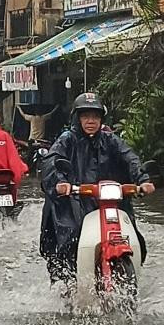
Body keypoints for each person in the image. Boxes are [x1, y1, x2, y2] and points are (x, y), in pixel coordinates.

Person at [40, 92, 155, 284]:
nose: (91, 121)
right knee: (68, 243)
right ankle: (68, 286)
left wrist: (143, 180)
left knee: (136, 239)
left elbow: (130, 158)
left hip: (108, 200)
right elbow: (51, 162)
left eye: (95, 116)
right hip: (74, 201)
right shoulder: (67, 139)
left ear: (101, 118)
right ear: (77, 118)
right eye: (85, 116)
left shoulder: (110, 140)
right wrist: (61, 183)